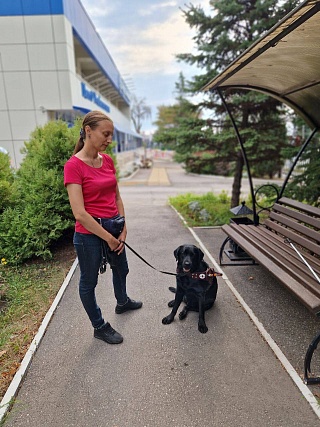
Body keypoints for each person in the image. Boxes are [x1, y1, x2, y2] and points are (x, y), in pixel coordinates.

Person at [64, 110, 142, 344]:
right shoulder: (73, 166)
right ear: (88, 131)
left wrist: (124, 226)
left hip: (114, 227)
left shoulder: (106, 160)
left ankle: (122, 301)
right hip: (89, 236)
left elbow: (116, 197)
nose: (110, 140)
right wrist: (108, 237)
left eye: (111, 135)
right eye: (105, 134)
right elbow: (79, 213)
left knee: (122, 269)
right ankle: (99, 326)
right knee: (89, 283)